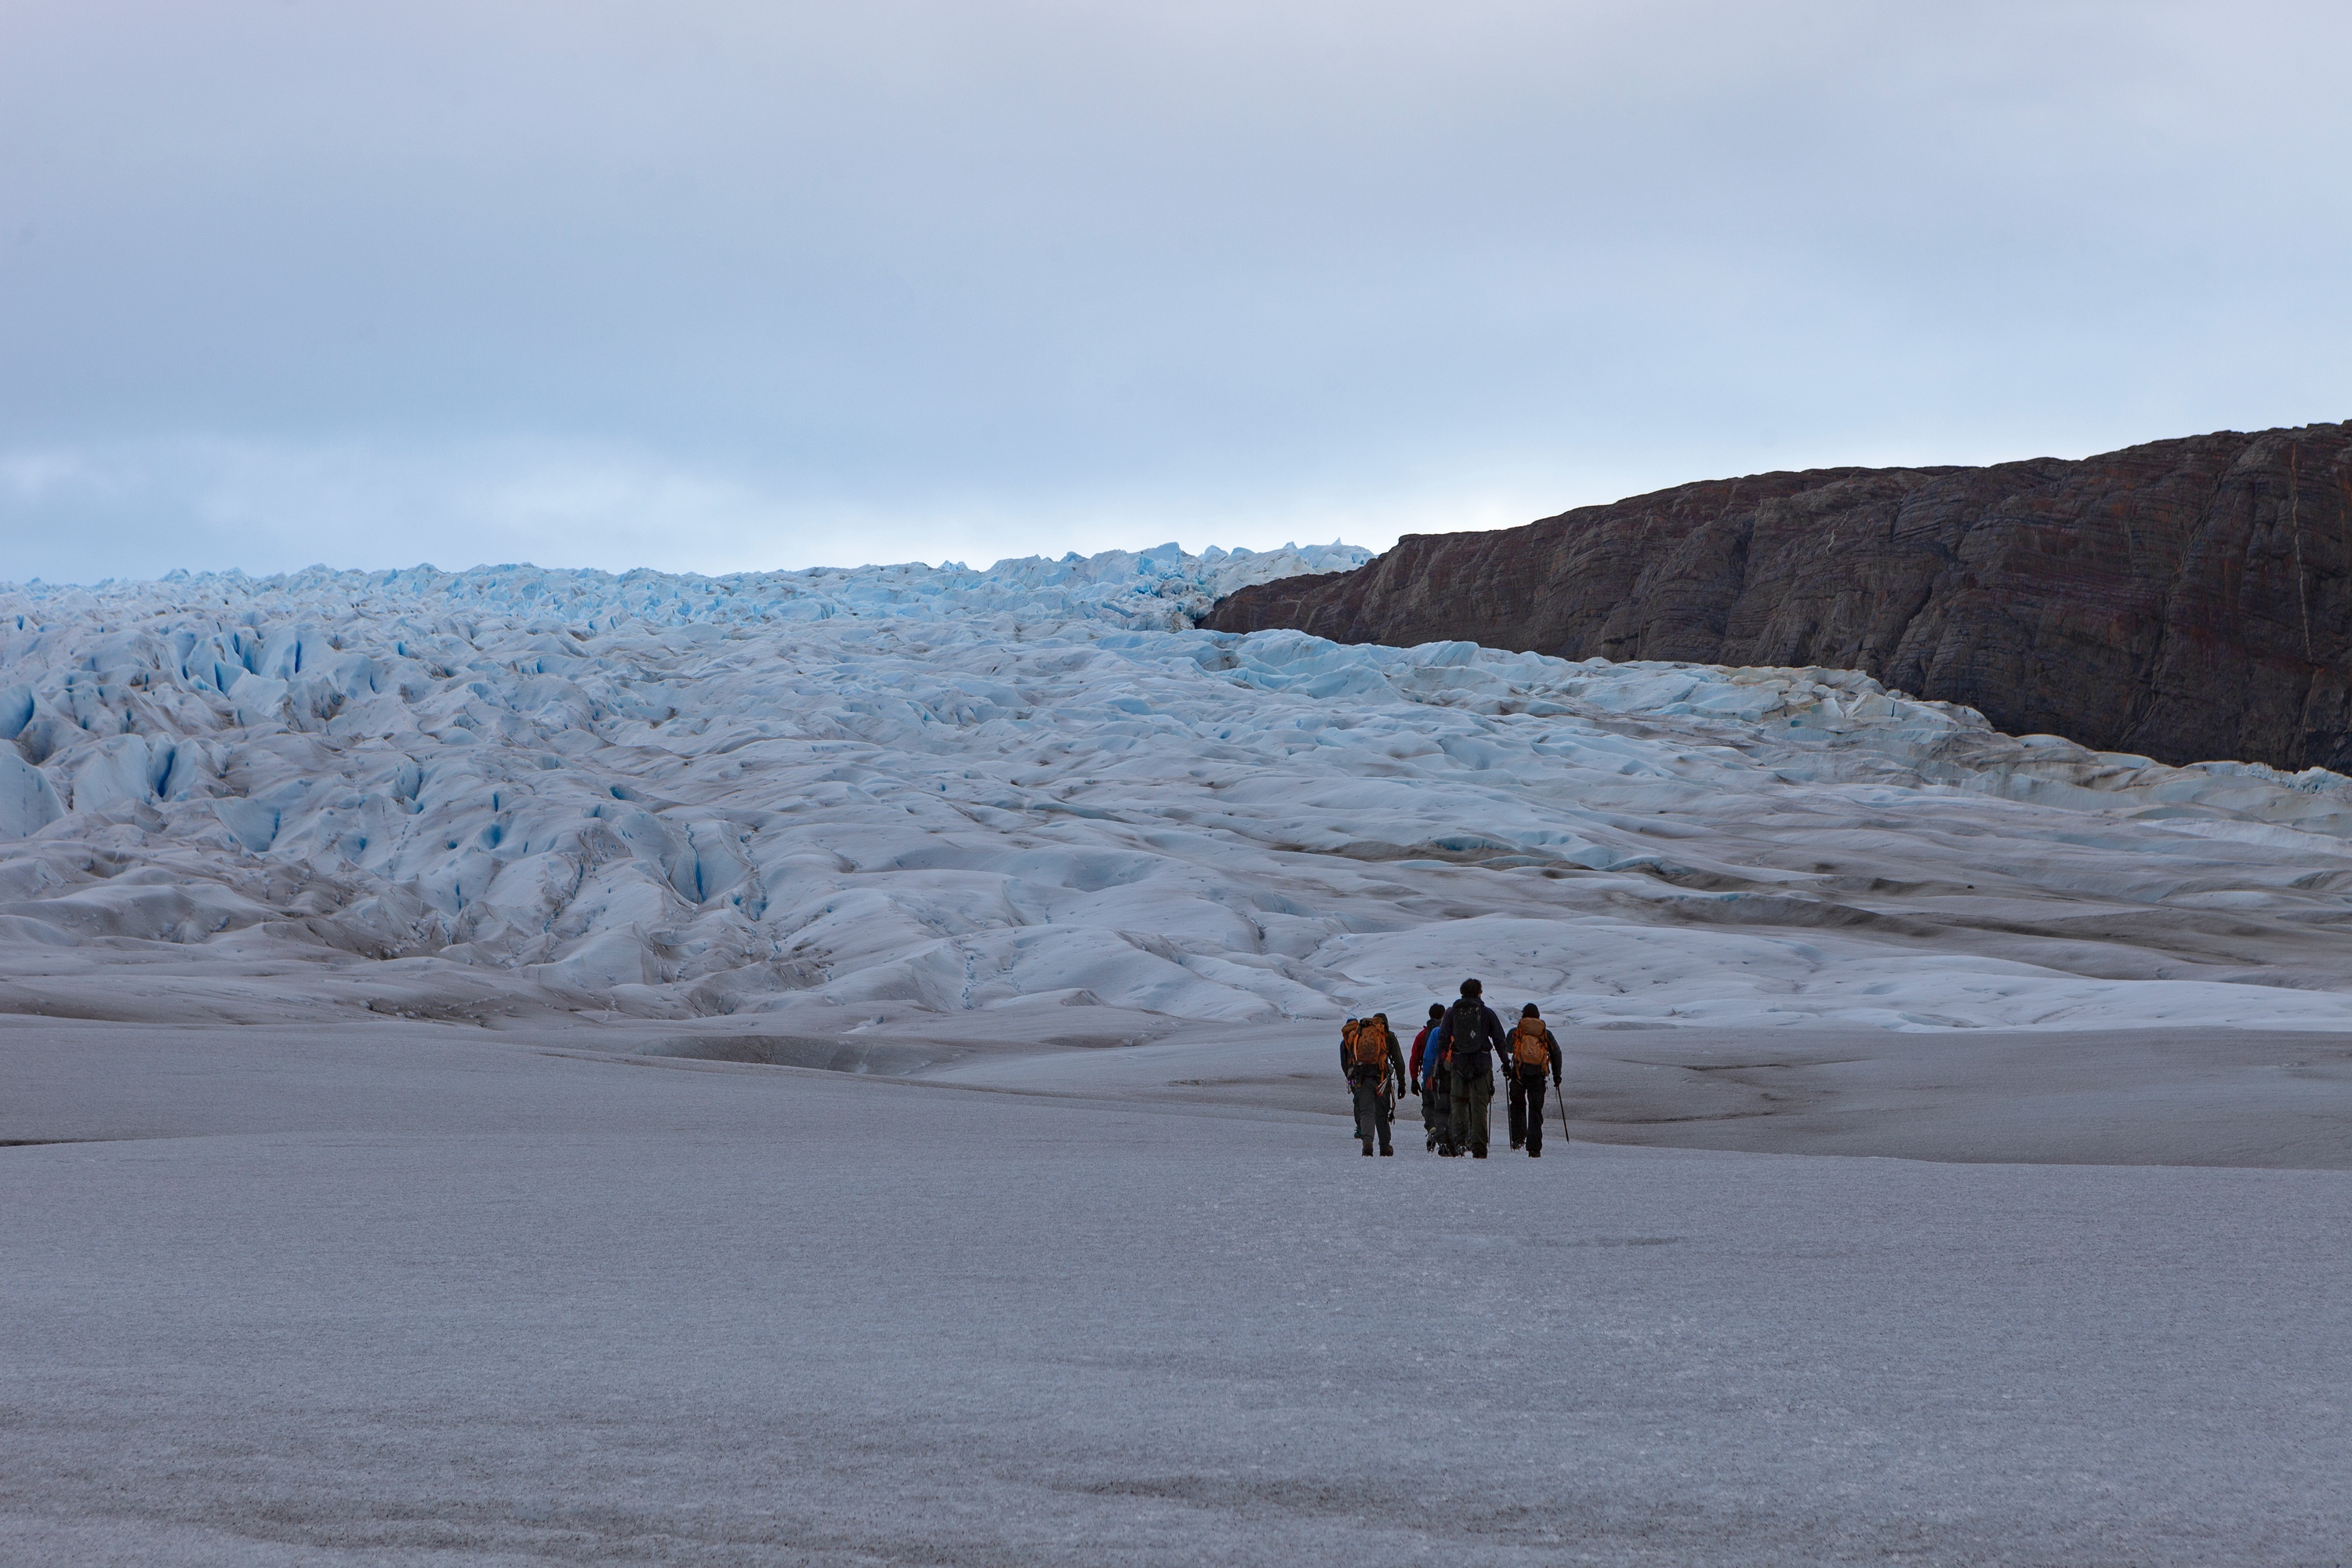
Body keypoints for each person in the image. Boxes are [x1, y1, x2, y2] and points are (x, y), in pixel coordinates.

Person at [1441, 979, 1505, 1159]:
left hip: (1459, 1064)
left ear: (1462, 993)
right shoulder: (1486, 1013)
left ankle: (1460, 1143)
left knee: (1459, 1103)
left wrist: (1442, 1062)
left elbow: (1443, 1039)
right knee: (1479, 1107)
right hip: (1481, 1064)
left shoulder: (1452, 1013)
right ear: (1479, 993)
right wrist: (1505, 1062)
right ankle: (1479, 1147)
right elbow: (1499, 1039)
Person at [1340, 1016, 1407, 1156]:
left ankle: (1367, 1144)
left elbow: (1351, 1059)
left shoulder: (1360, 1033)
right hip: (1382, 1080)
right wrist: (1402, 1084)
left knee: (1366, 1112)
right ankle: (1384, 1147)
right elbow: (1399, 1062)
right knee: (1382, 1114)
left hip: (1363, 1079)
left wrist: (1353, 1079)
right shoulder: (1388, 1036)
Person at [1504, 1003, 1563, 1157]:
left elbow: (1508, 1048)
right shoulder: (1545, 1033)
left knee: (1517, 1105)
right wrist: (1557, 1076)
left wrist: (1507, 1067)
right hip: (1538, 1075)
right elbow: (1556, 1053)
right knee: (1535, 1111)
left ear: (1523, 1016)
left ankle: (1518, 1139)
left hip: (1518, 1074)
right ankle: (1534, 1148)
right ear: (1538, 1016)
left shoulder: (1516, 1031)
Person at [1408, 1002, 1452, 1154]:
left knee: (1429, 1106)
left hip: (1432, 1077)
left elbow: (1417, 1058)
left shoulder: (1424, 1035)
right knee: (1449, 1108)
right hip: (1454, 1077)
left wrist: (1416, 1079)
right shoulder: (1454, 1032)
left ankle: (1433, 1129)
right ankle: (1452, 1137)